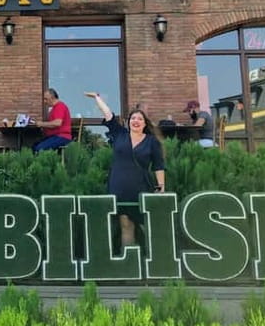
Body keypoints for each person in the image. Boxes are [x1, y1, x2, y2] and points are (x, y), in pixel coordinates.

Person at [85, 92, 165, 247]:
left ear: (144, 124)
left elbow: (158, 165)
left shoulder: (151, 142)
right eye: (133, 118)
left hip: (141, 187)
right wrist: (97, 98)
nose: (136, 121)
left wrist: (160, 188)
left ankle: (157, 261)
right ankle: (129, 265)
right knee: (126, 226)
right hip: (120, 187)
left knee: (147, 226)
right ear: (128, 122)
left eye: (140, 119)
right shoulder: (120, 134)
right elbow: (108, 114)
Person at [31, 88, 72, 153]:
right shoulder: (54, 109)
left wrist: (42, 124)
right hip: (55, 136)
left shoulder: (60, 106)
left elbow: (57, 123)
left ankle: (46, 162)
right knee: (34, 146)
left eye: (46, 99)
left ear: (52, 98)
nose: (44, 101)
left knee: (39, 149)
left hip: (62, 137)